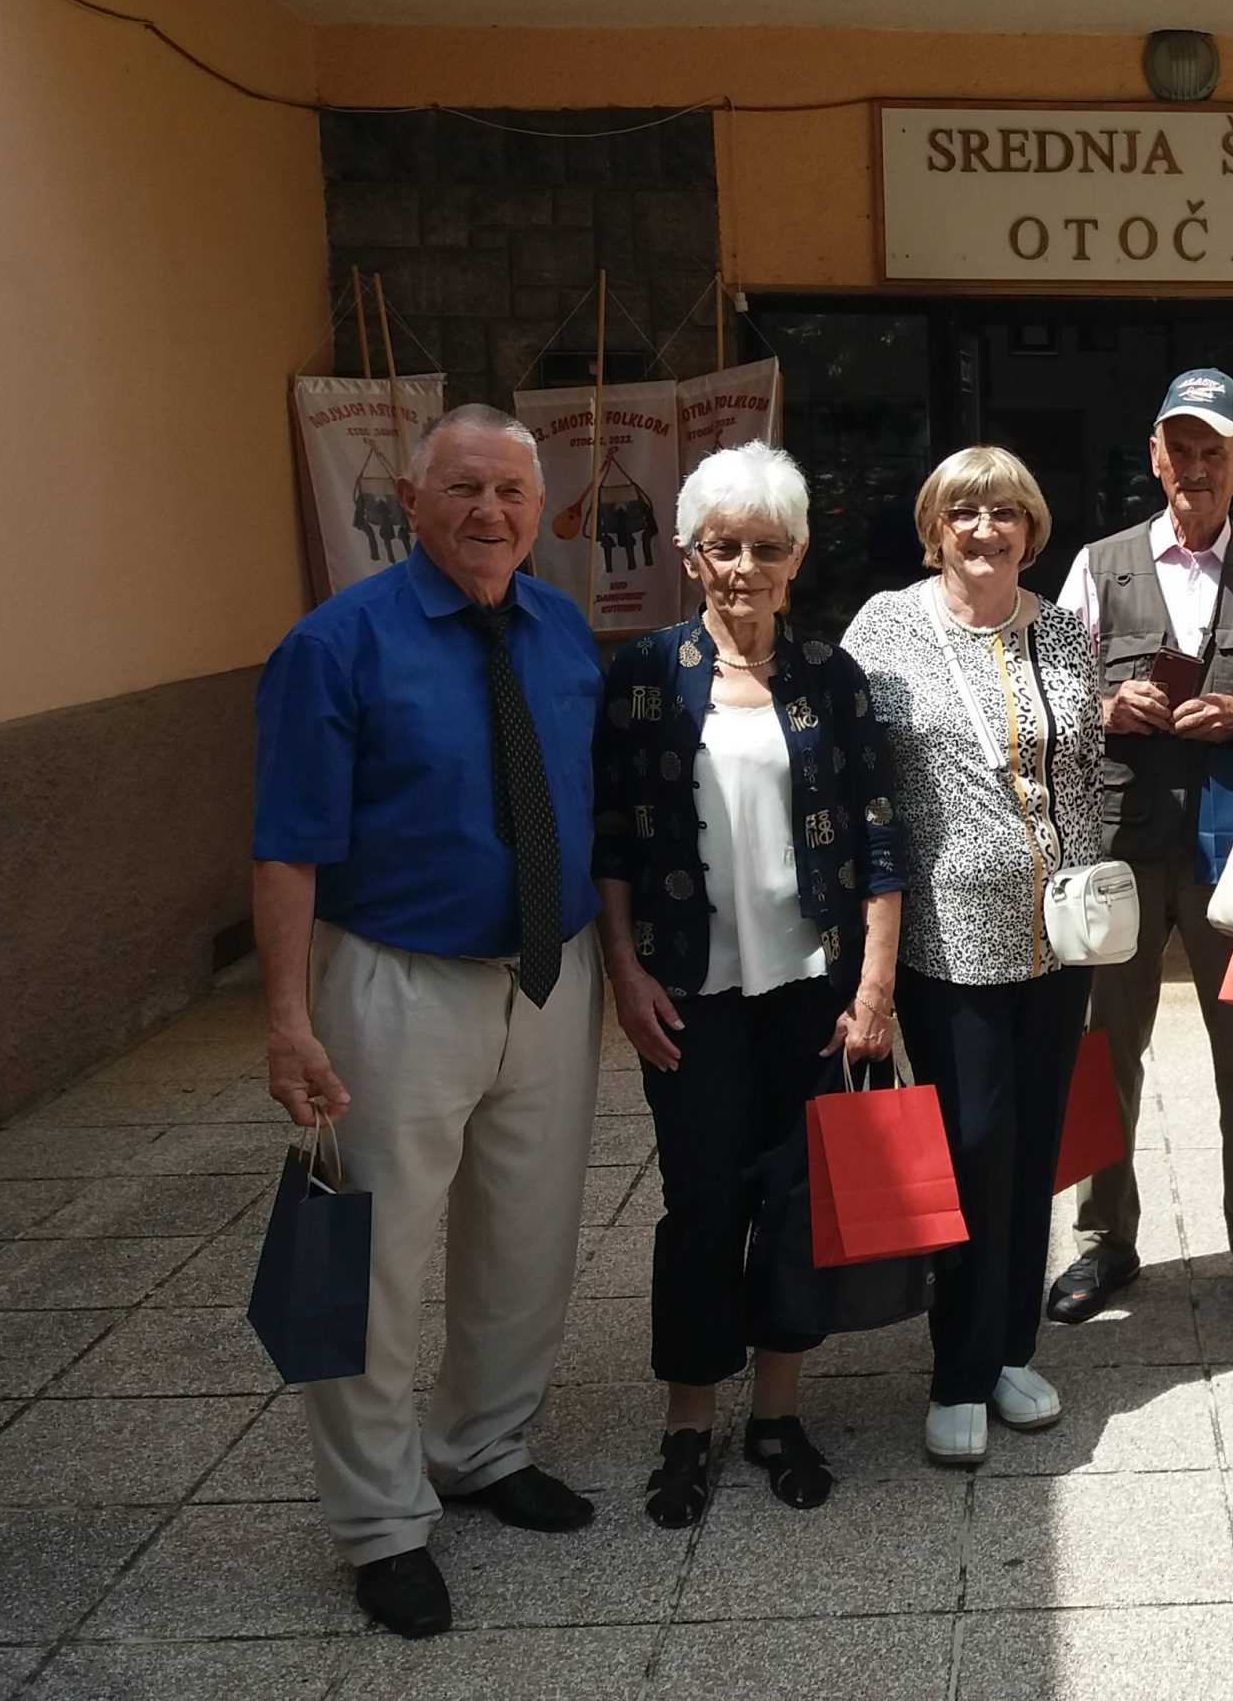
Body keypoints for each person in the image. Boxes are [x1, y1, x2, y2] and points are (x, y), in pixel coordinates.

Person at [252, 406, 604, 1640]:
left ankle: (482, 1446)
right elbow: (287, 847)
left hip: (550, 975)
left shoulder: (562, 630)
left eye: (512, 491)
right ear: (411, 499)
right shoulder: (334, 645)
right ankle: (379, 1523)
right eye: (463, 488)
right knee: (371, 1261)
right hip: (395, 982)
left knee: (528, 1238)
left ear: (540, 507)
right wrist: (288, 1017)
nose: (489, 512)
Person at [591, 442, 905, 1527]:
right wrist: (624, 973)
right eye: (723, 547)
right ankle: (688, 1421)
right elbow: (613, 840)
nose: (743, 568)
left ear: (797, 558)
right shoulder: (644, 675)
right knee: (699, 1204)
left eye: (766, 548)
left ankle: (776, 1414)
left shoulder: (830, 677)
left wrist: (873, 989)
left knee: (795, 1200)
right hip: (688, 993)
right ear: (689, 555)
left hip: (812, 991)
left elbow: (877, 838)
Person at [841, 447, 1104, 1466]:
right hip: (947, 940)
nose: (984, 530)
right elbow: (850, 779)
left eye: (1004, 513)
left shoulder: (1065, 631)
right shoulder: (885, 627)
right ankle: (955, 1369)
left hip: (1059, 941)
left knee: (1035, 1148)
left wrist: (1094, 899)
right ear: (933, 528)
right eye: (964, 512)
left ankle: (1007, 1351)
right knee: (972, 1146)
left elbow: (1083, 775)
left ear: (1031, 531)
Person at [1049, 369, 1233, 1333]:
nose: (1197, 467)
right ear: (1156, 458)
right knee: (1103, 1050)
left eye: (1216, 451)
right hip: (1120, 843)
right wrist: (1103, 705)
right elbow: (1049, 697)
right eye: (1181, 449)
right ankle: (1103, 1238)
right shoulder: (1099, 565)